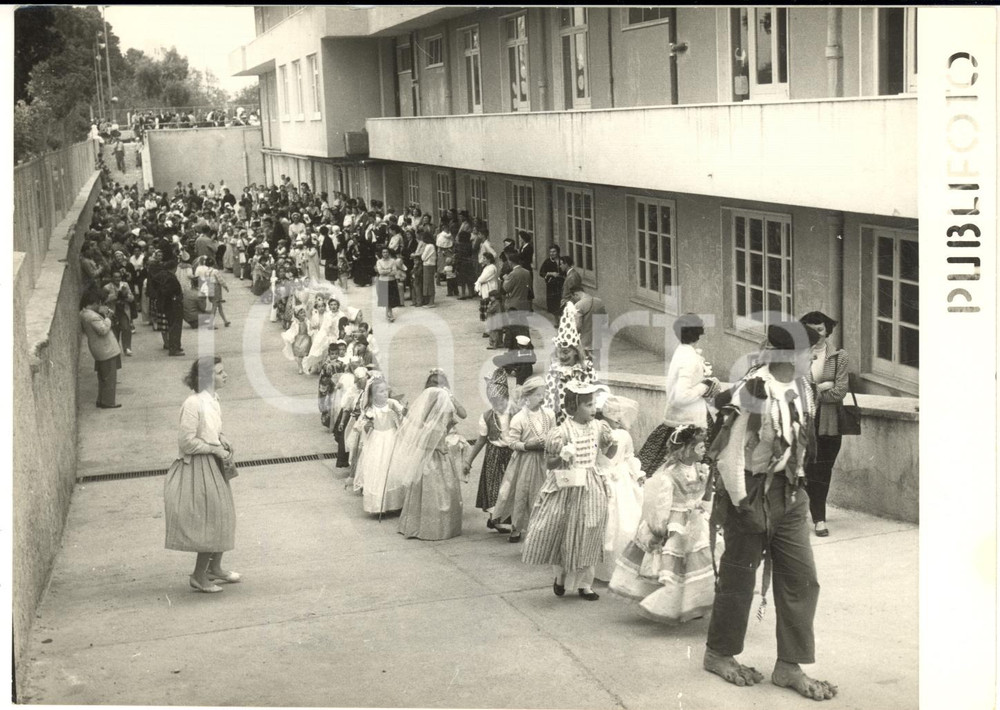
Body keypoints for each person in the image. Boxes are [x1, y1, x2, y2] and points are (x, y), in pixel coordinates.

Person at [702, 321, 837, 701]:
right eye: (808, 352)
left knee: (802, 578)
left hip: (789, 491)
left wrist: (797, 485)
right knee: (739, 577)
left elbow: (798, 439)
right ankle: (718, 654)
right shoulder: (753, 391)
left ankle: (789, 665)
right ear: (786, 355)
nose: (813, 357)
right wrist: (740, 503)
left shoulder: (803, 386)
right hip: (747, 491)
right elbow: (728, 455)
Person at [609, 425, 716, 624]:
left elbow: (704, 496)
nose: (704, 450)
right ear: (687, 449)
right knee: (673, 563)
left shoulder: (701, 469)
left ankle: (692, 601)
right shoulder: (670, 474)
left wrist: (706, 511)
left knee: (700, 560)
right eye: (700, 446)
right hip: (676, 522)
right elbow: (663, 505)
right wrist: (659, 528)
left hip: (696, 519)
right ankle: (668, 602)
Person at [521, 379, 616, 601]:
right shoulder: (562, 432)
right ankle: (561, 577)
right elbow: (550, 463)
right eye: (588, 405)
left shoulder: (599, 427)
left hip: (591, 484)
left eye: (594, 404)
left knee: (590, 530)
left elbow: (608, 454)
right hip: (568, 485)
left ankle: (586, 584)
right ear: (574, 406)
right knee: (564, 531)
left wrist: (614, 443)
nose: (593, 409)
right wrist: (563, 456)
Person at [164, 357, 240, 594]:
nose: (225, 375)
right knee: (211, 520)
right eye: (220, 372)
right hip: (198, 466)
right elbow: (187, 442)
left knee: (223, 515)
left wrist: (222, 438)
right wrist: (215, 449)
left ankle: (214, 568)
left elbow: (210, 430)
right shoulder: (193, 403)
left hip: (213, 463)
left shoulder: (213, 399)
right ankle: (199, 575)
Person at [637, 313, 723, 477]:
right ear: (699, 333)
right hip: (689, 421)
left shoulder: (682, 352)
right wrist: (705, 386)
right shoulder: (688, 357)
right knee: (689, 467)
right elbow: (680, 396)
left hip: (684, 417)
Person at [394, 373, 469, 540]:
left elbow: (462, 414)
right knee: (436, 490)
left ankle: (432, 523)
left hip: (438, 455)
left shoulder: (445, 408)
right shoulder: (431, 421)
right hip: (435, 457)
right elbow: (427, 436)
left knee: (439, 489)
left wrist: (450, 397)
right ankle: (434, 526)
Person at [800, 310, 850, 538]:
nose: (816, 334)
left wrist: (814, 391)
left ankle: (818, 515)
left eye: (820, 329)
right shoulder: (798, 354)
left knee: (823, 470)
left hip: (829, 422)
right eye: (811, 330)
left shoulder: (839, 356)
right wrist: (822, 386)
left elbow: (840, 392)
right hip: (804, 420)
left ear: (827, 330)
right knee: (806, 469)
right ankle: (812, 514)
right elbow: (798, 389)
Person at [492, 375, 554, 543]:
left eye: (543, 394)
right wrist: (527, 445)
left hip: (544, 459)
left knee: (543, 493)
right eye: (538, 395)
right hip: (525, 461)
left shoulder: (549, 414)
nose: (542, 398)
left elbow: (554, 433)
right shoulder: (519, 418)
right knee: (523, 493)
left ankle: (542, 528)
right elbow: (512, 442)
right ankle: (517, 527)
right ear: (527, 396)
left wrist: (550, 443)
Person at [594, 394, 645, 582]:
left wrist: (637, 473)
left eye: (620, 416)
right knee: (607, 523)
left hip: (622, 480)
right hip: (602, 476)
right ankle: (601, 567)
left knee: (626, 522)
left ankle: (622, 565)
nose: (618, 420)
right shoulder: (597, 432)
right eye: (614, 416)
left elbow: (629, 456)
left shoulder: (624, 435)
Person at [464, 368, 514, 535]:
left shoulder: (516, 414)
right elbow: (481, 440)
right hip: (494, 455)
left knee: (510, 486)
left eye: (501, 402)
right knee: (494, 487)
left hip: (512, 454)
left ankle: (507, 517)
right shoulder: (486, 417)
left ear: (507, 398)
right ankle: (495, 518)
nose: (497, 406)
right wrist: (468, 461)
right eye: (493, 403)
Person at [352, 375, 407, 515]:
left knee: (394, 469)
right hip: (377, 440)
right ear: (373, 395)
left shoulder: (392, 403)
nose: (385, 393)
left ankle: (396, 503)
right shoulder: (370, 409)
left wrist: (403, 413)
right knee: (378, 469)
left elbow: (403, 415)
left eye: (386, 390)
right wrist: (367, 425)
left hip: (392, 438)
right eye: (381, 391)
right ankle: (378, 505)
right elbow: (361, 427)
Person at [543, 303, 596, 425]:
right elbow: (549, 401)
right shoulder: (555, 372)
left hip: (582, 420)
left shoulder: (586, 369)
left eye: (566, 352)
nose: (562, 356)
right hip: (561, 422)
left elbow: (594, 394)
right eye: (559, 352)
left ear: (576, 351)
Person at [79, 291, 122, 409]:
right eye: (98, 303)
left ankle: (102, 400)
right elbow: (103, 330)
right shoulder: (92, 316)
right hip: (105, 349)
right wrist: (107, 318)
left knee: (103, 376)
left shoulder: (85, 313)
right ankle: (108, 402)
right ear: (93, 303)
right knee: (109, 377)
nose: (100, 306)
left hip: (100, 349)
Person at [502, 252, 532, 349]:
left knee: (513, 326)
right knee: (523, 325)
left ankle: (514, 345)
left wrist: (505, 279)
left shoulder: (512, 274)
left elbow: (506, 288)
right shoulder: (527, 272)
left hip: (514, 303)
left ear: (511, 262)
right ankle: (526, 343)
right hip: (524, 302)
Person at [375, 247, 401, 322]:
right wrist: (389, 270)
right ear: (381, 253)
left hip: (391, 281)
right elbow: (380, 272)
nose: (385, 254)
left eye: (386, 252)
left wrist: (385, 271)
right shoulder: (379, 262)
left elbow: (394, 272)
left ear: (389, 253)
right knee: (385, 299)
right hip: (383, 281)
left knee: (390, 299)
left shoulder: (393, 261)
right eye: (383, 252)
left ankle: (388, 313)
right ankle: (389, 314)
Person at [539, 244, 564, 316]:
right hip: (551, 287)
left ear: (558, 252)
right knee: (553, 305)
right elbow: (541, 273)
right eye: (550, 252)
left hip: (561, 285)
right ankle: (555, 319)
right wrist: (551, 273)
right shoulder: (547, 261)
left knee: (561, 304)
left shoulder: (562, 261)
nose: (552, 253)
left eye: (554, 251)